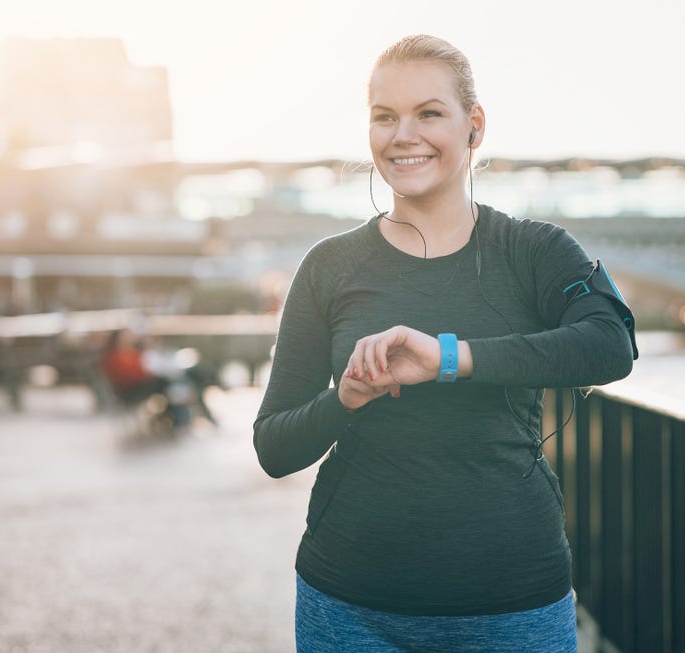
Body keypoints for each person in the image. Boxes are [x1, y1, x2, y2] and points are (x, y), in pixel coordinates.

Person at [253, 34, 637, 652]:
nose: (403, 135)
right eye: (385, 117)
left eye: (429, 113)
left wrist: (449, 358)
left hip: (514, 607)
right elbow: (273, 446)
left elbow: (610, 344)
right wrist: (345, 399)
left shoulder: (535, 251)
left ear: (473, 125)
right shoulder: (329, 267)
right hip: (352, 608)